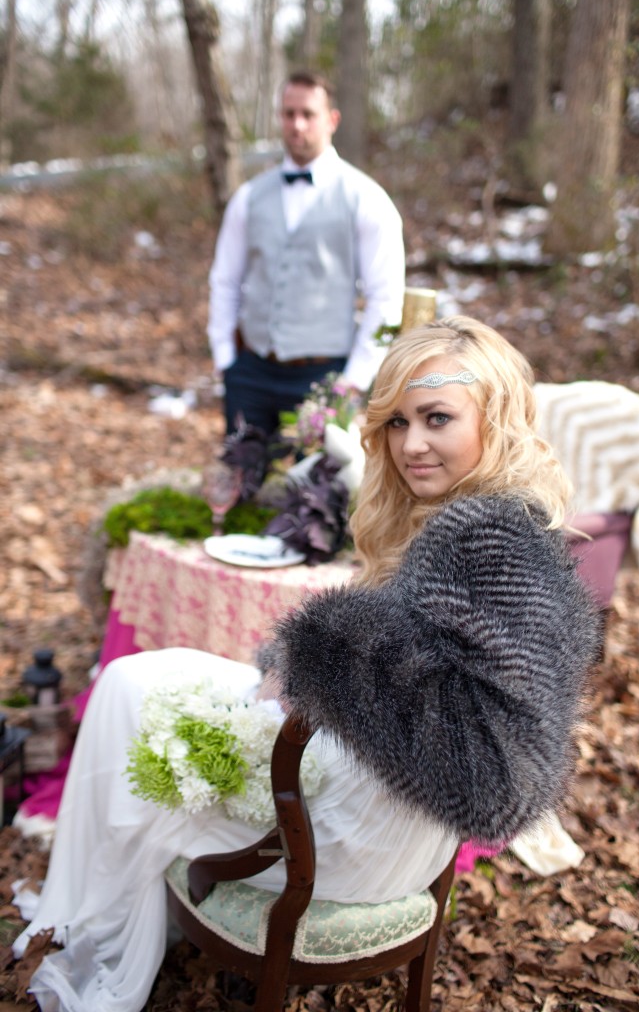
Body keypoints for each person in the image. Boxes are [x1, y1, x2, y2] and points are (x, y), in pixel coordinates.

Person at [13, 317, 600, 1012]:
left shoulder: (486, 542)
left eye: (437, 418)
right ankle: (93, 918)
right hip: (383, 804)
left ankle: (86, 926)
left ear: (495, 419)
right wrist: (305, 671)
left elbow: (498, 781)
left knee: (129, 701)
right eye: (396, 422)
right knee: (131, 683)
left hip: (362, 840)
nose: (411, 444)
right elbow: (427, 685)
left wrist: (322, 652)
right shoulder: (484, 522)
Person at [206, 70, 405, 436]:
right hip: (250, 371)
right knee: (241, 484)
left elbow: (386, 298)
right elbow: (225, 280)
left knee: (315, 490)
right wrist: (225, 359)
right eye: (288, 113)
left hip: (324, 376)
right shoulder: (248, 198)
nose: (297, 124)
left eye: (308, 114)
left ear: (331, 120)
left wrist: (354, 381)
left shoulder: (366, 198)